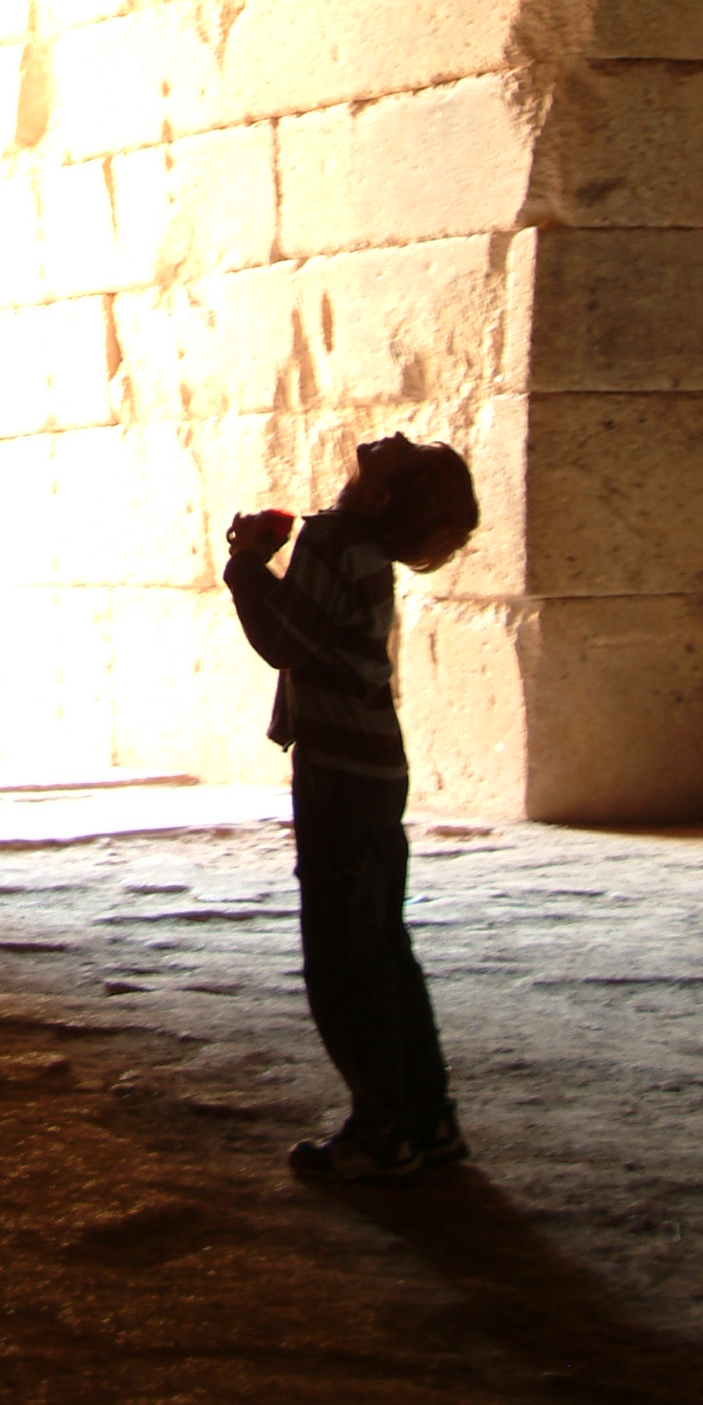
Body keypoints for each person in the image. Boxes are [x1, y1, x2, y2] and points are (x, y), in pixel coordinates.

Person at [223, 432, 480, 1183]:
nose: (389, 438)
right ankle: (428, 1120)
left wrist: (246, 563)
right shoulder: (361, 548)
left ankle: (381, 1129)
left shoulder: (336, 541)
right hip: (374, 767)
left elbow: (287, 641)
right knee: (383, 950)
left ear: (379, 495)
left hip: (340, 773)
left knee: (342, 960)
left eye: (401, 455)